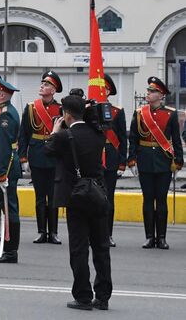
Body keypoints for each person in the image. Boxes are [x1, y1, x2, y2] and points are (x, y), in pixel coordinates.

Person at [45, 95, 112, 311]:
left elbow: (48, 150)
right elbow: (97, 122)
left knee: (79, 248)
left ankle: (83, 296)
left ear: (66, 114)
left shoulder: (65, 136)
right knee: (101, 247)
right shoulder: (98, 134)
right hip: (99, 194)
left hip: (77, 196)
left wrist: (55, 131)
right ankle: (102, 297)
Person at [128, 77, 183, 250]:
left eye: (152, 92)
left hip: (163, 161)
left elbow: (176, 139)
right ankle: (149, 237)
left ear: (160, 95)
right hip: (145, 160)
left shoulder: (170, 114)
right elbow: (134, 138)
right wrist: (132, 159)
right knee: (147, 199)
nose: (148, 94)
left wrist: (178, 161)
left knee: (161, 200)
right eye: (149, 91)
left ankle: (162, 237)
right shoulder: (139, 113)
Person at [19, 71, 63, 244]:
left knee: (53, 197)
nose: (42, 87)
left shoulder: (60, 109)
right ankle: (41, 231)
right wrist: (23, 158)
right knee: (39, 197)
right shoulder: (31, 108)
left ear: (53, 90)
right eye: (42, 84)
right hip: (37, 155)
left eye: (46, 85)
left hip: (54, 157)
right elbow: (23, 135)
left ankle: (53, 232)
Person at [0, 73, 22, 264]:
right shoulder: (1, 110)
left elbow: (5, 146)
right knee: (5, 209)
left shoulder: (6, 113)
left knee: (9, 209)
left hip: (4, 167)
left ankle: (10, 251)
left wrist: (1, 173)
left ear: (2, 94)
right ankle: (8, 250)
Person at [102, 74, 127, 247]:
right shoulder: (88, 110)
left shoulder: (117, 111)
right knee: (92, 200)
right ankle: (93, 234)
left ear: (108, 90)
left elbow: (123, 139)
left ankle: (107, 234)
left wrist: (122, 163)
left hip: (110, 160)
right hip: (93, 159)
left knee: (108, 199)